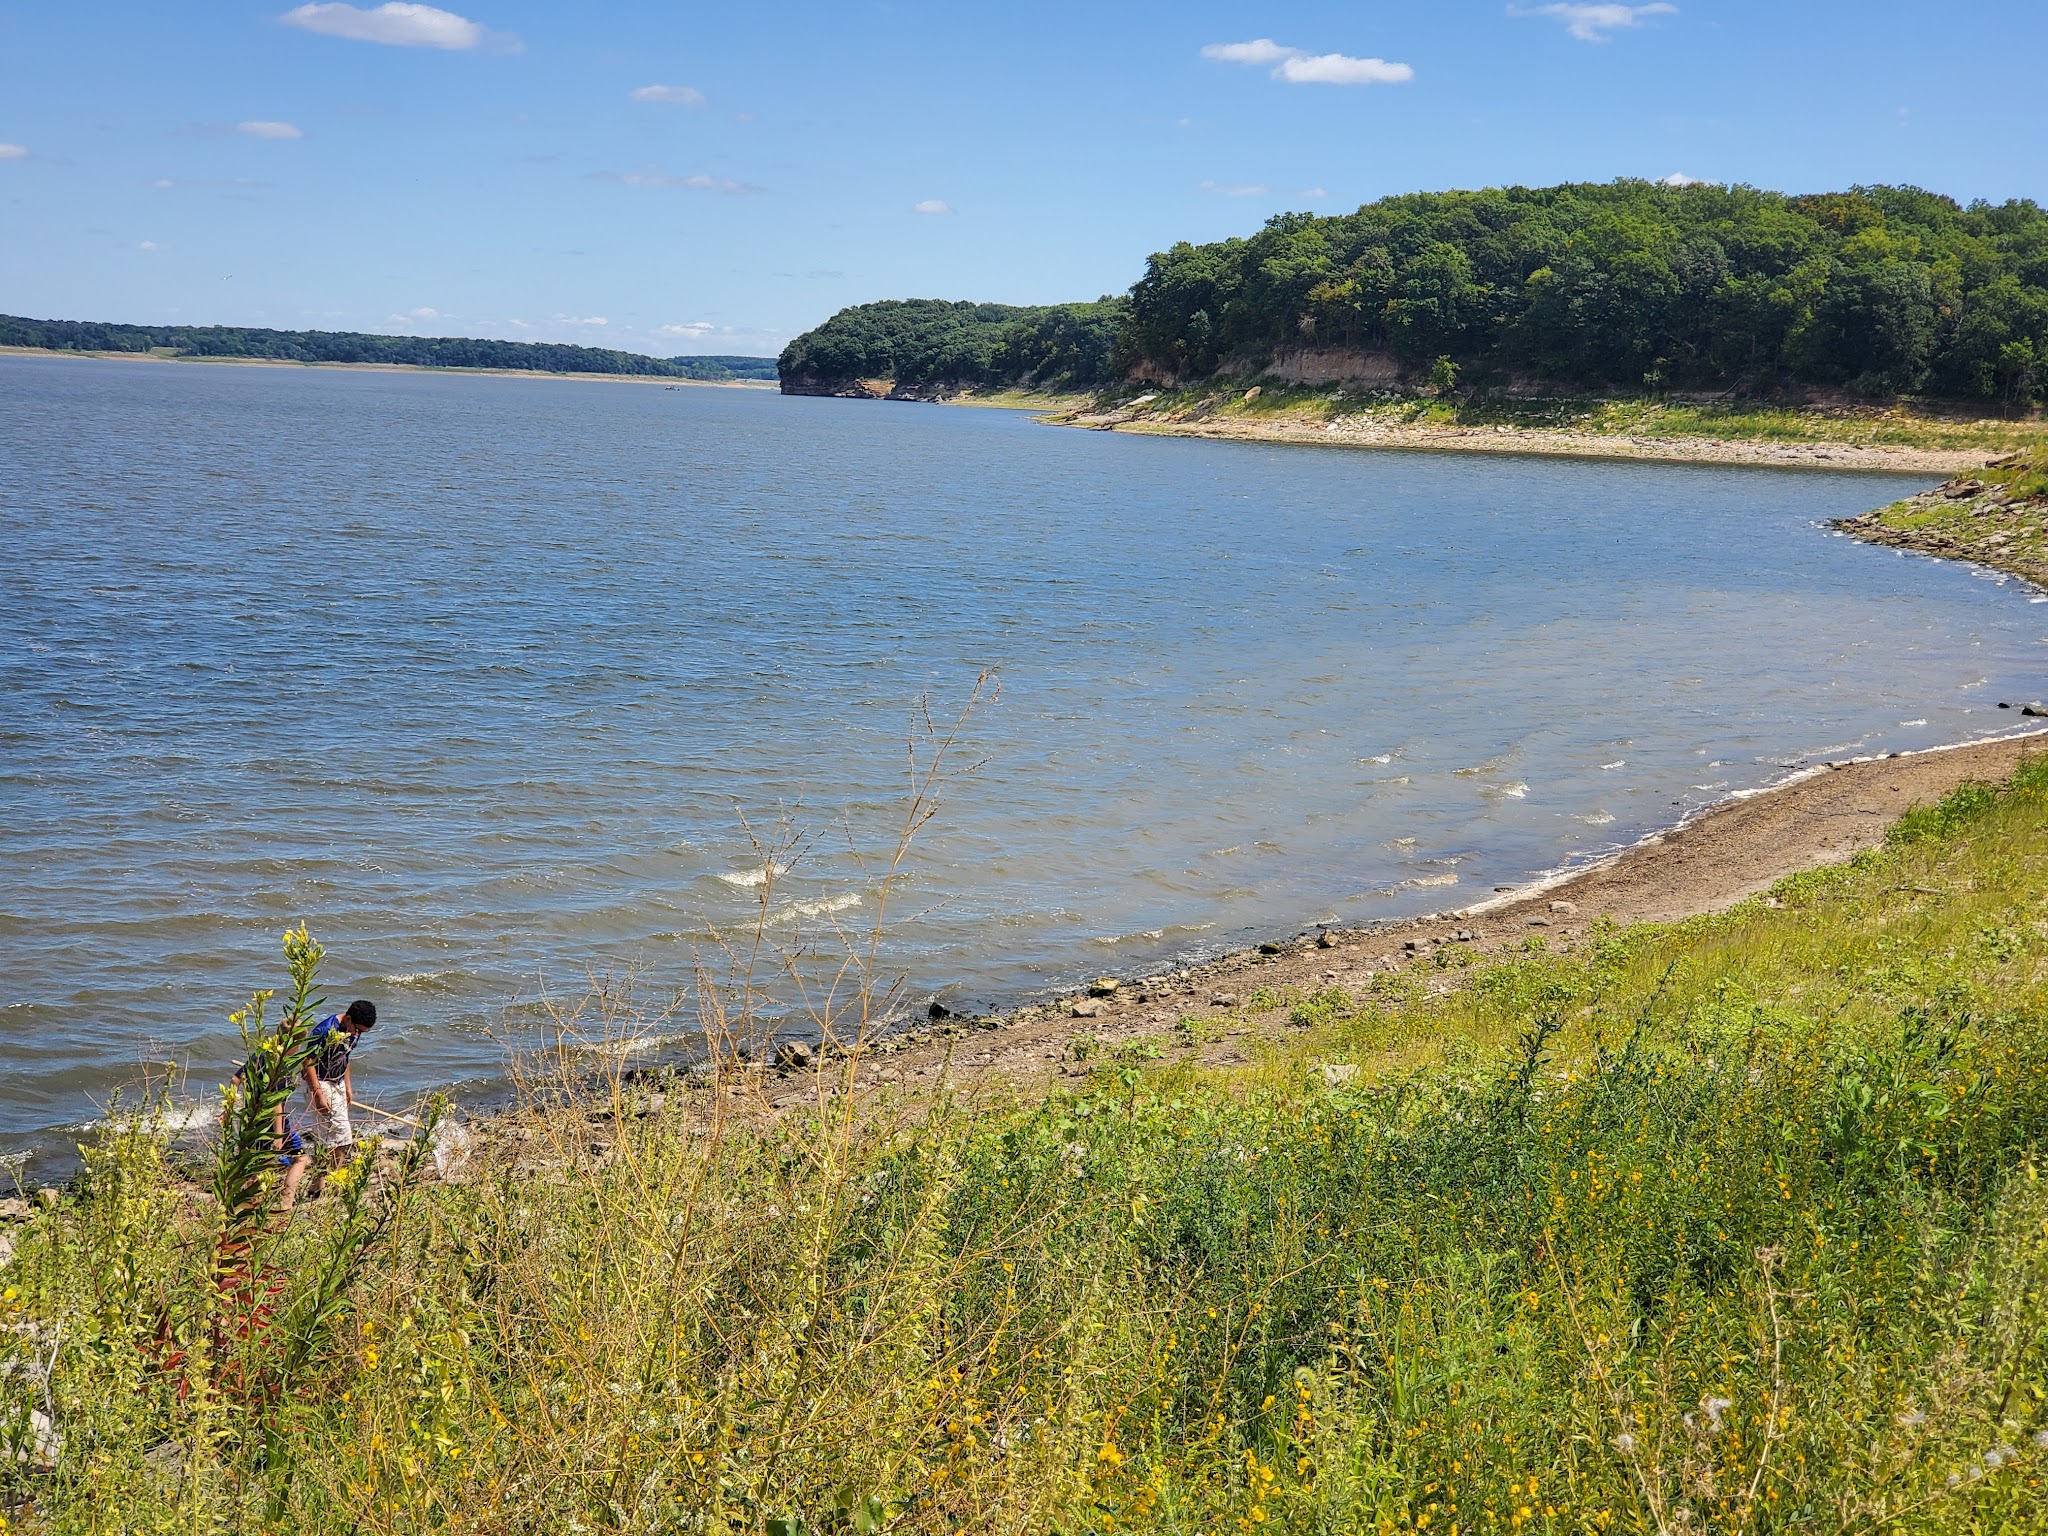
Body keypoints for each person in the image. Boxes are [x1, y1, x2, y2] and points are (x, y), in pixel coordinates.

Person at [300, 998, 377, 1183]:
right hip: (319, 1082)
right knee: (340, 1134)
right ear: (348, 1019)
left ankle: (320, 1182)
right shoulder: (325, 1031)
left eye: (363, 1032)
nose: (358, 1034)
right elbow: (306, 1062)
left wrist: (348, 1086)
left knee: (331, 1136)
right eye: (357, 1030)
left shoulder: (354, 1031)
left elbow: (345, 1056)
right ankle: (330, 1181)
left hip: (338, 1082)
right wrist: (317, 1094)